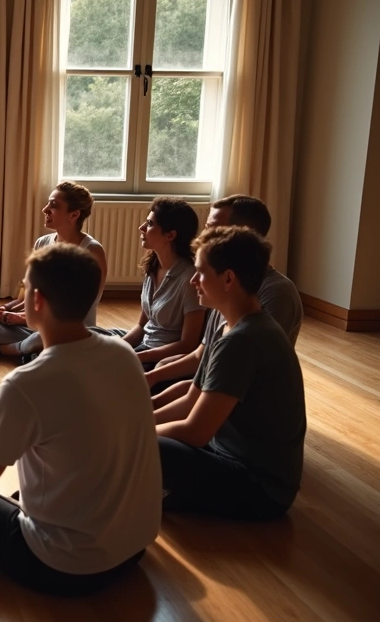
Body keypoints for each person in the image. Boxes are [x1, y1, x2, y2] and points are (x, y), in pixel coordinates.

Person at [0, 243, 161, 596]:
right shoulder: (124, 353)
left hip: (64, 566)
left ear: (37, 300)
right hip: (134, 547)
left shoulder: (27, 383)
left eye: (24, 288)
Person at [155, 226, 305, 520]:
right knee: (142, 443)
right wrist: (137, 418)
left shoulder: (244, 340)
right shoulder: (229, 325)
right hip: (223, 455)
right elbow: (190, 399)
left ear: (228, 278)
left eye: (200, 272)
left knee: (151, 449)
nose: (193, 281)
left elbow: (195, 432)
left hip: (261, 488)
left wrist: (129, 435)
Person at [146, 195, 303, 397]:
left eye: (213, 229)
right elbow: (201, 355)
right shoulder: (222, 288)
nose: (202, 235)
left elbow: (247, 370)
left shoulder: (277, 293)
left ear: (242, 236)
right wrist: (154, 375)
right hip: (217, 376)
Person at [0, 182, 107, 361]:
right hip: (35, 326)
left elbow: (79, 308)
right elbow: (29, 294)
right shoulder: (43, 243)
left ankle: (13, 349)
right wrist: (4, 309)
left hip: (69, 329)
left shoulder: (92, 251)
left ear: (74, 214)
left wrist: (16, 318)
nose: (45, 209)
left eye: (53, 205)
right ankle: (34, 350)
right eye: (48, 203)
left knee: (46, 336)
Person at [106, 197, 204, 370]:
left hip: (163, 359)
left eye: (150, 224)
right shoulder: (153, 267)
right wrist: (117, 348)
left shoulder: (190, 279)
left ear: (170, 235)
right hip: (144, 349)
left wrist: (139, 356)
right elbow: (141, 326)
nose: (141, 228)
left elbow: (188, 344)